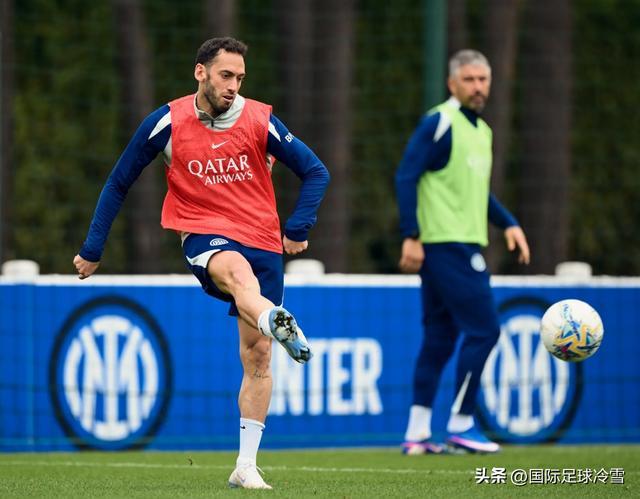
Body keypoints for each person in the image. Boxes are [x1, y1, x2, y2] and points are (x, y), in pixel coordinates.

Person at [73, 37, 330, 488]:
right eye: (226, 75)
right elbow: (118, 182)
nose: (233, 86)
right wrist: (93, 248)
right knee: (238, 275)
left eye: (240, 78)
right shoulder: (166, 122)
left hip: (263, 238)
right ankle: (275, 318)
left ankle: (246, 466)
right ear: (201, 72)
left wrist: (298, 227)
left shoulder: (259, 119)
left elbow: (316, 171)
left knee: (258, 356)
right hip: (205, 233)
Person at [394, 49, 530, 455]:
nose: (478, 87)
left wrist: (508, 222)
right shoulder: (439, 122)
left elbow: (476, 192)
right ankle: (461, 424)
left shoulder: (483, 131)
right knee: (485, 330)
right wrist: (411, 234)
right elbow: (406, 175)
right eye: (469, 80)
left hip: (461, 242)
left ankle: (417, 435)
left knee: (440, 337)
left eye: (483, 79)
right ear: (452, 83)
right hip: (446, 243)